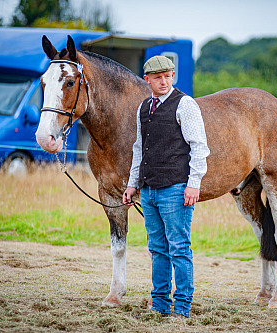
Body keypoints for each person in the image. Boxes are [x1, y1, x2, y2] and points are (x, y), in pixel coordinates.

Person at [123, 55, 209, 318]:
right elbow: (139, 149)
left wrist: (194, 184)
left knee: (179, 248)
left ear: (173, 76)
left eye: (167, 76)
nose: (163, 81)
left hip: (175, 188)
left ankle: (182, 308)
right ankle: (159, 304)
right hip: (149, 191)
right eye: (157, 77)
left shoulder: (185, 104)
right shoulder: (143, 108)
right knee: (157, 248)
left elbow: (199, 147)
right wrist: (132, 184)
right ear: (147, 79)